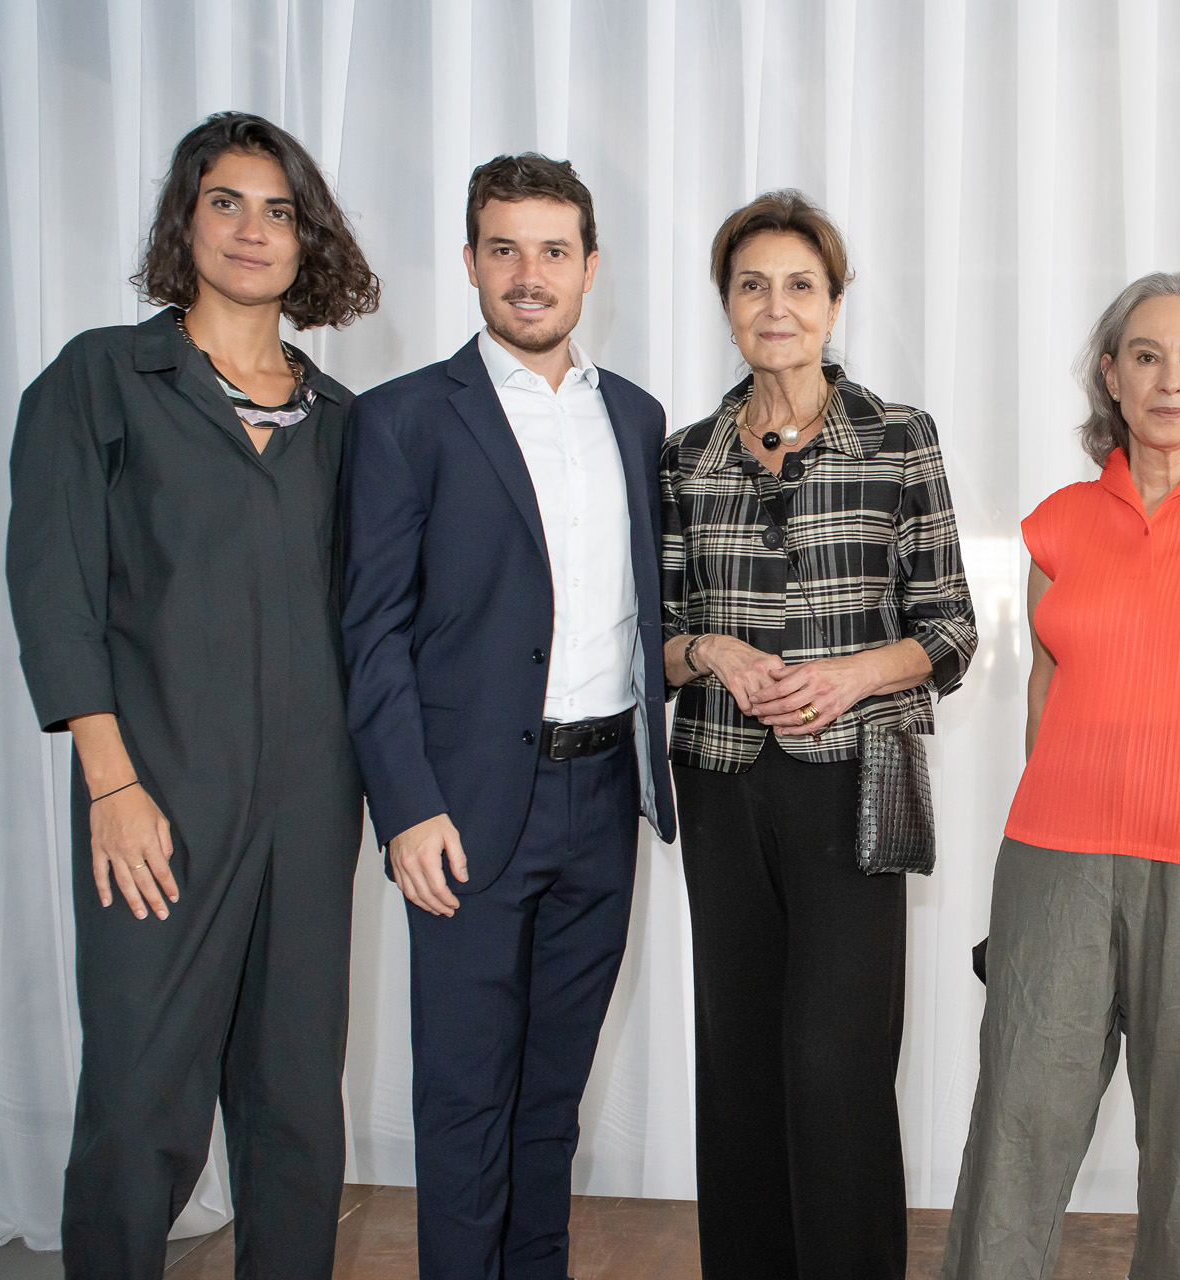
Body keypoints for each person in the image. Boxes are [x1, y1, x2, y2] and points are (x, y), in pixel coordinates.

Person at [5, 112, 378, 1279]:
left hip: (314, 810)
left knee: (296, 1108)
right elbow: (54, 593)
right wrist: (110, 782)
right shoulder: (100, 380)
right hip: (158, 798)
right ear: (186, 218)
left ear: (308, 239)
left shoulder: (347, 424)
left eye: (280, 210)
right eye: (227, 201)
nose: (253, 230)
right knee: (138, 1098)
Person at [943, 270, 1180, 1280]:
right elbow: (1045, 699)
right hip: (1055, 863)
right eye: (1148, 355)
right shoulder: (1058, 525)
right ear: (1111, 375)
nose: (1171, 378)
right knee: (1017, 1130)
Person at [339, 153, 675, 1279]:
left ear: (590, 267)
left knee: (551, 1096)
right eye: (504, 248)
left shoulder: (636, 417)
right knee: (466, 1095)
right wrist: (407, 807)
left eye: (552, 250)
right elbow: (372, 630)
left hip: (604, 801)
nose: (529, 275)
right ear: (472, 259)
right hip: (467, 811)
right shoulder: (402, 421)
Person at [660, 189, 976, 1280]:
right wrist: (711, 652)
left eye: (800, 284)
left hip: (855, 787)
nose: (777, 305)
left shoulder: (898, 438)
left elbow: (948, 629)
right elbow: (657, 634)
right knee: (738, 1059)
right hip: (720, 784)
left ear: (835, 303)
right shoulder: (686, 455)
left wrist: (848, 676)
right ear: (727, 304)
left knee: (833, 1066)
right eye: (753, 284)